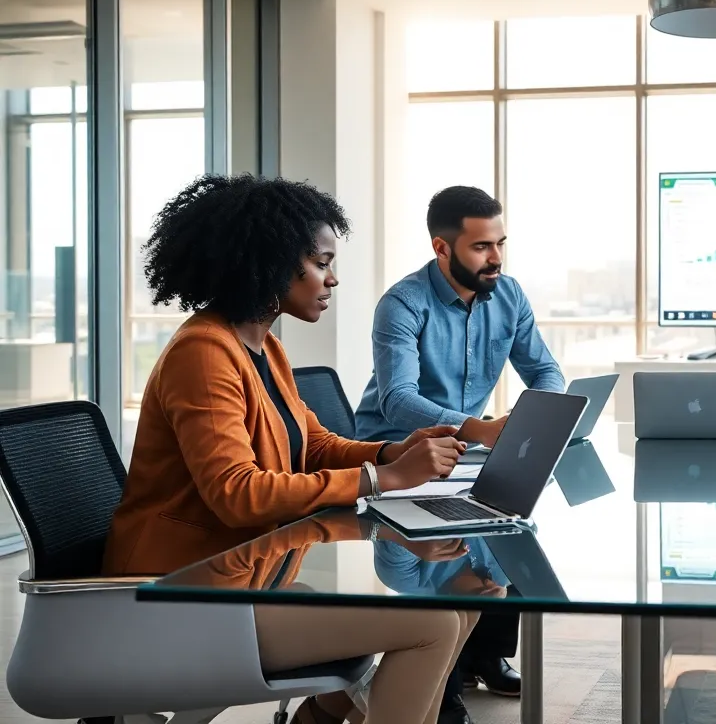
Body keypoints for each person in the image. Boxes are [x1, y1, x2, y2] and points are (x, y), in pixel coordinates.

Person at [103, 174, 477, 724]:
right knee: (432, 625)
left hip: (245, 580)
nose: (333, 279)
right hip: (189, 599)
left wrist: (390, 454)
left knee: (454, 606)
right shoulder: (204, 354)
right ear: (272, 261)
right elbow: (236, 494)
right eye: (321, 262)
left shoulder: (262, 345)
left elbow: (313, 442)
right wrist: (382, 481)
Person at [354, 185, 564, 723]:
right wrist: (479, 429)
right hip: (401, 448)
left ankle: (485, 655)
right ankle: (438, 682)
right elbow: (398, 398)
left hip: (468, 447)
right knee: (441, 553)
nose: (495, 257)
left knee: (512, 522)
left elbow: (543, 368)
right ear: (442, 249)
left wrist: (541, 412)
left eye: (500, 243)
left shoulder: (509, 295)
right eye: (480, 247)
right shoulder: (403, 304)